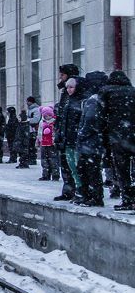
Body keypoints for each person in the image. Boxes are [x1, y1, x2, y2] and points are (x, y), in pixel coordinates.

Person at [101, 71, 135, 210]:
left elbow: (101, 115)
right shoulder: (133, 91)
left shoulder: (106, 92)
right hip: (133, 134)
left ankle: (127, 199)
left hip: (117, 137)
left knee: (122, 169)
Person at [75, 71, 108, 207]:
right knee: (90, 169)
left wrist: (81, 134)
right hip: (95, 142)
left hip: (90, 143)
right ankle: (92, 196)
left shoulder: (93, 100)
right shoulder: (99, 98)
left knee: (88, 170)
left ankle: (93, 197)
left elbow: (90, 119)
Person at [54, 64, 81, 201]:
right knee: (65, 163)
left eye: (62, 75)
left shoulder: (74, 92)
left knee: (72, 164)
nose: (60, 77)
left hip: (71, 134)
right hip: (65, 133)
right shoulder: (66, 92)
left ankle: (75, 190)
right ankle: (68, 191)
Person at [58, 77, 85, 202]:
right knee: (72, 166)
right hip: (68, 139)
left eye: (71, 87)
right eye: (67, 87)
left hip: (76, 140)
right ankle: (77, 190)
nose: (69, 90)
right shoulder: (68, 102)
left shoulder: (80, 101)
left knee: (77, 166)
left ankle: (81, 190)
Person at [36, 105, 59, 181]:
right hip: (43, 143)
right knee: (44, 160)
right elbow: (39, 132)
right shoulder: (42, 123)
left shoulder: (55, 122)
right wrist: (38, 140)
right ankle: (45, 175)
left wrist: (55, 139)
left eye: (49, 115)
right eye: (46, 115)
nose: (48, 117)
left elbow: (56, 132)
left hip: (52, 144)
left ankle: (55, 175)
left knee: (53, 160)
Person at [26, 96, 41, 166]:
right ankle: (30, 158)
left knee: (32, 145)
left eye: (27, 101)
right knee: (30, 145)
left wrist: (27, 120)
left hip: (33, 129)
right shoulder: (29, 109)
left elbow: (36, 119)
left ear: (31, 102)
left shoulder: (36, 109)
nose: (26, 103)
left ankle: (32, 159)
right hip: (30, 129)